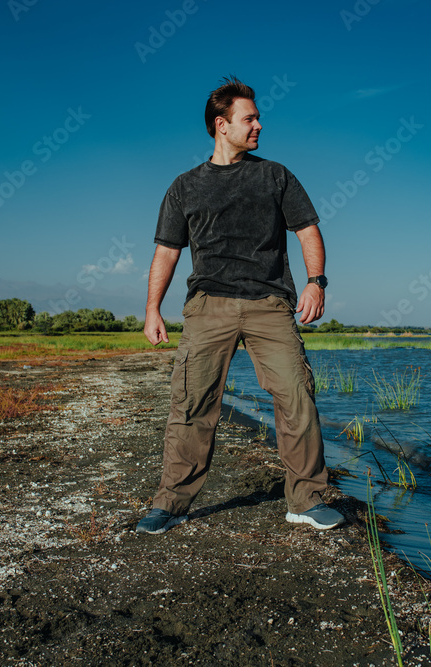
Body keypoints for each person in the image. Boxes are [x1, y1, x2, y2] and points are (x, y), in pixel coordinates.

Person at [135, 76, 344, 535]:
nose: (259, 126)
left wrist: (316, 282)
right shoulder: (185, 187)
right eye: (249, 118)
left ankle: (305, 499)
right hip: (208, 305)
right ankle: (171, 503)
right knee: (191, 402)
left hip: (270, 303)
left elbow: (308, 230)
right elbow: (166, 252)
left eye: (258, 118)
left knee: (296, 395)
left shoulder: (275, 176)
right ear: (221, 125)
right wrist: (153, 309)